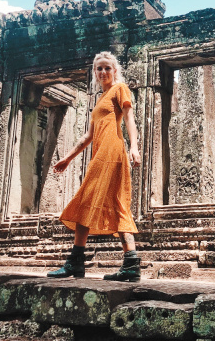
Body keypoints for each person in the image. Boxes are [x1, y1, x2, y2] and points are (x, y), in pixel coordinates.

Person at [48, 51, 142, 282]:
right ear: (94, 72)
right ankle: (130, 264)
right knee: (112, 202)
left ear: (115, 70)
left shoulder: (120, 90)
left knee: (86, 198)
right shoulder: (99, 100)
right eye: (99, 68)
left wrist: (134, 146)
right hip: (100, 152)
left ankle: (75, 262)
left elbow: (130, 118)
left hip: (112, 151)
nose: (103, 72)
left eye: (107, 68)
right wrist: (68, 158)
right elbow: (87, 136)